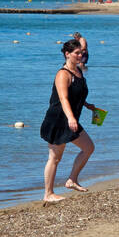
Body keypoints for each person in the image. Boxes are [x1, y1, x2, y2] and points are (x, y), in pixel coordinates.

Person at [40, 39, 97, 202]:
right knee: (55, 157)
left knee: (88, 148)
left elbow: (75, 94)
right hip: (58, 120)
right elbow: (63, 98)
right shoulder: (62, 74)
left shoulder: (78, 70)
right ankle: (48, 194)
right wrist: (71, 118)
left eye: (81, 52)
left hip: (71, 119)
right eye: (77, 53)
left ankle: (72, 180)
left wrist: (86, 105)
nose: (81, 55)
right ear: (67, 54)